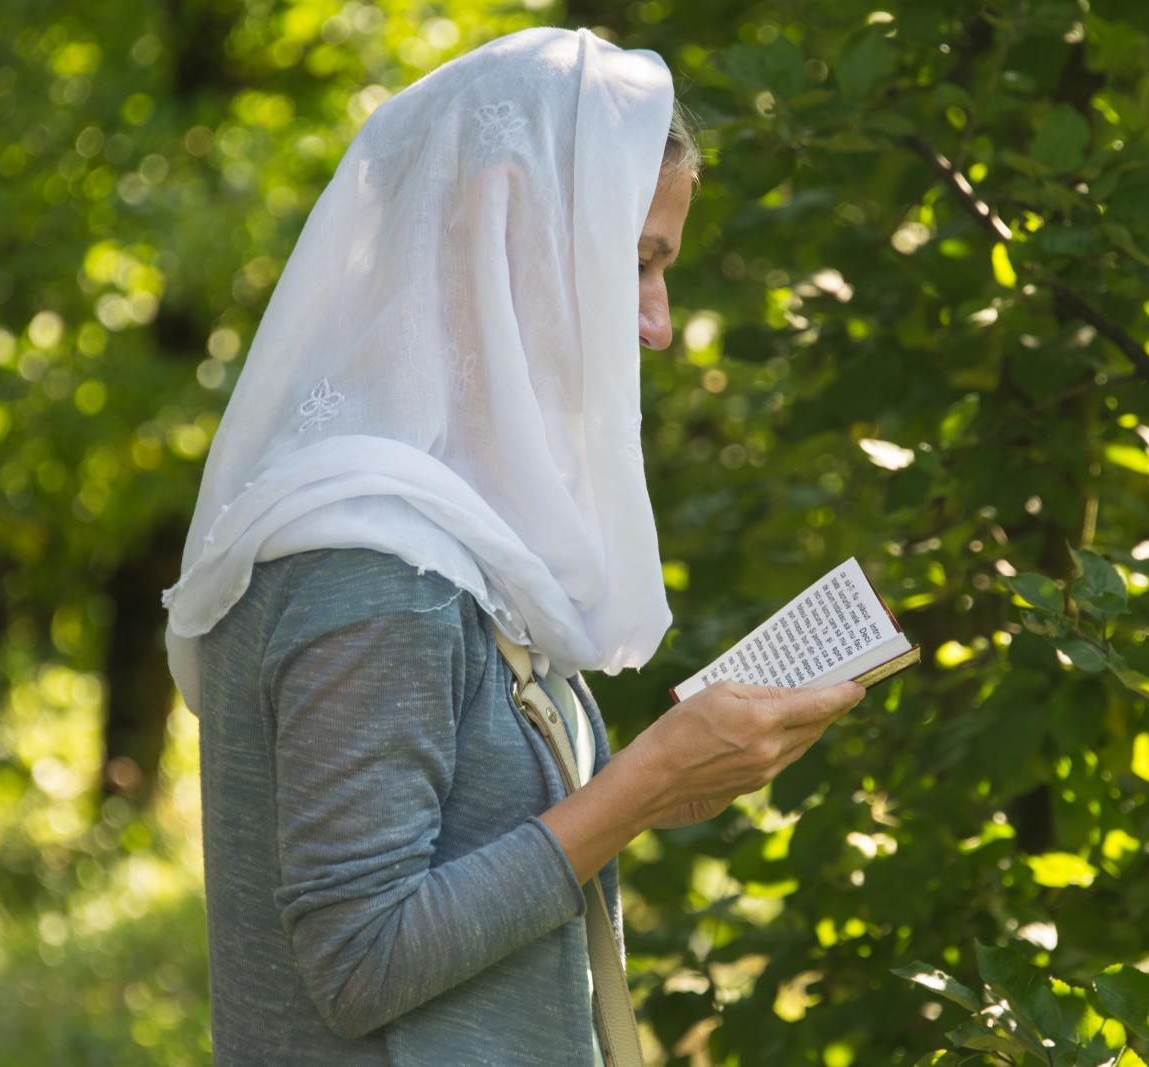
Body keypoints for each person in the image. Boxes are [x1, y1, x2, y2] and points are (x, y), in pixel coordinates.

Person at [161, 25, 865, 1067]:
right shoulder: (368, 569)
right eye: (633, 265)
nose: (658, 323)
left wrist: (648, 786)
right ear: (513, 240)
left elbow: (456, 847)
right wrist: (643, 781)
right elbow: (361, 962)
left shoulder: (439, 536)